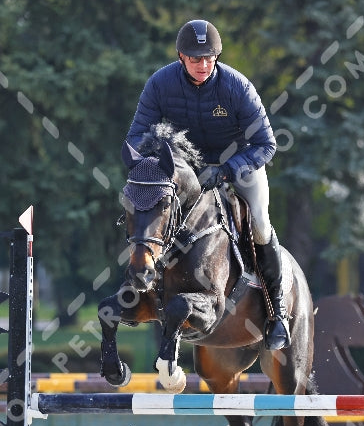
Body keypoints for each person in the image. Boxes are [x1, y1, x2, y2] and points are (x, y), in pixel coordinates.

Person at [124, 19, 290, 350]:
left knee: (259, 223)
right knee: (151, 212)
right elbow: (136, 137)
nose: (202, 65)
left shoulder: (237, 87)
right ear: (181, 57)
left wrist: (228, 169)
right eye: (195, 58)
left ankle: (278, 312)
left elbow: (266, 144)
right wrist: (155, 162)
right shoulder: (160, 84)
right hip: (183, 172)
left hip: (239, 167)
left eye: (209, 58)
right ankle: (141, 288)